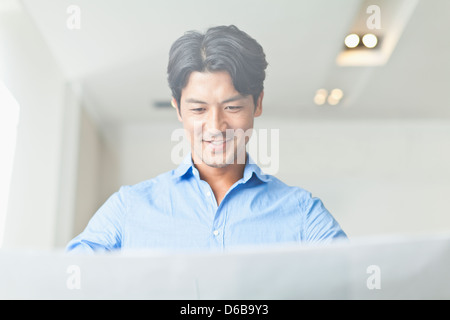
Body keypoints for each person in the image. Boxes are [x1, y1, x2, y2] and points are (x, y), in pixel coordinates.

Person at [66, 25, 346, 253]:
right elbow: (69, 283)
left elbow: (356, 282)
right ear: (177, 109)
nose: (215, 126)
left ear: (257, 104)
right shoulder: (128, 208)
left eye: (232, 107)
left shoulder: (303, 213)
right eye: (198, 109)